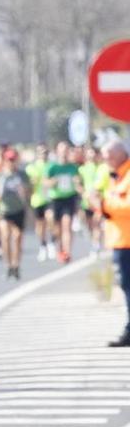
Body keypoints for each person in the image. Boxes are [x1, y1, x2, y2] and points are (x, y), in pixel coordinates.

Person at [99, 138, 130, 346]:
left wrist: (105, 203)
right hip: (120, 239)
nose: (106, 161)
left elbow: (126, 206)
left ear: (120, 154)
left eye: (109, 157)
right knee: (126, 286)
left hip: (127, 241)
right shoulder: (116, 176)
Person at [0, 148, 31, 281]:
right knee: (6, 236)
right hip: (4, 210)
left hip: (18, 209)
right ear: (5, 161)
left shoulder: (22, 175)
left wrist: (23, 191)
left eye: (13, 159)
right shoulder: (0, 175)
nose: (11, 162)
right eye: (9, 160)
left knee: (17, 237)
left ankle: (16, 265)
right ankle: (8, 266)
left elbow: (29, 191)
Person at [45, 141, 83, 265]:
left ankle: (67, 252)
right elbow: (45, 183)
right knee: (57, 228)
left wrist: (78, 185)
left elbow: (78, 182)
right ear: (57, 151)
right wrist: (53, 181)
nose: (64, 153)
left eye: (66, 150)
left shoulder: (73, 167)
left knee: (67, 224)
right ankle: (59, 248)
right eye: (61, 150)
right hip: (56, 199)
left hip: (69, 198)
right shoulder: (52, 167)